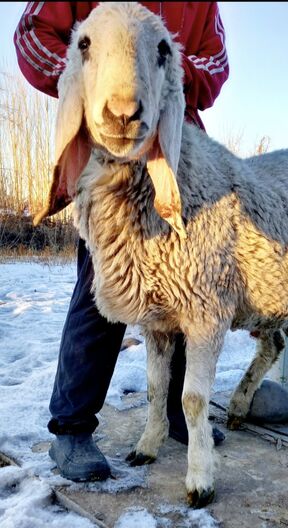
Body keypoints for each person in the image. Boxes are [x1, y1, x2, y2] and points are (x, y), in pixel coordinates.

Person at [14, 1, 229, 482]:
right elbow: (32, 33)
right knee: (104, 285)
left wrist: (163, 71)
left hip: (177, 148)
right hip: (105, 153)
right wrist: (88, 74)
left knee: (187, 287)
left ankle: (177, 414)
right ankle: (70, 427)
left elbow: (216, 62)